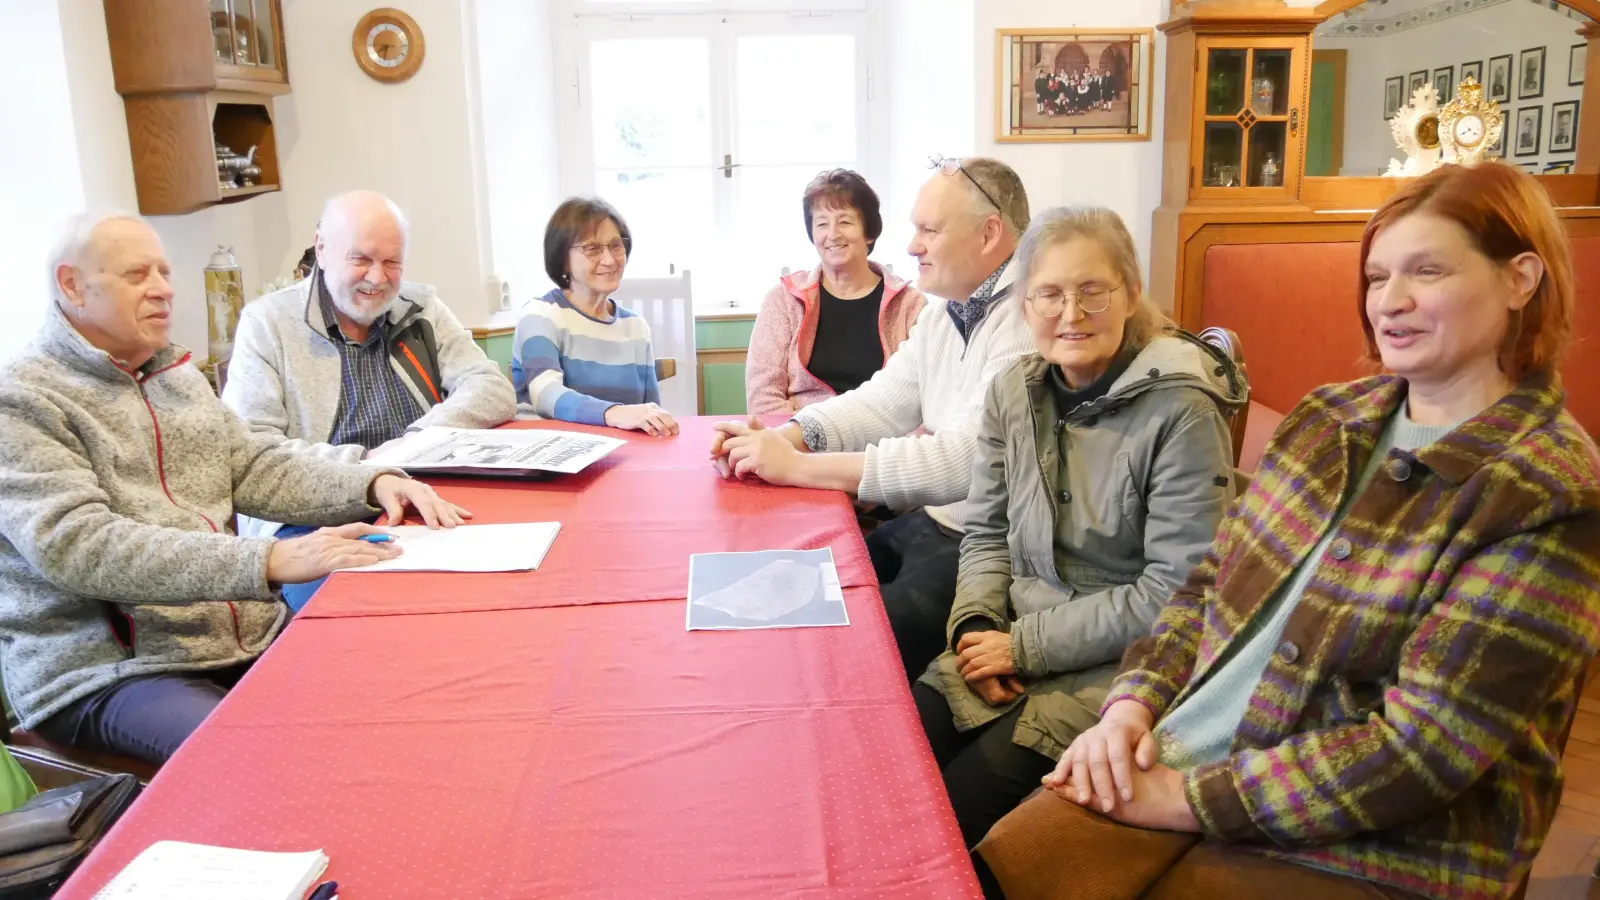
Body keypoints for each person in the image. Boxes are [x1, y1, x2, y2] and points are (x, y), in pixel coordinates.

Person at [978, 162, 1600, 900]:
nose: (1391, 303)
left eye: (1426, 271)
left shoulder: (1546, 486)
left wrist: (1185, 799)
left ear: (1520, 279)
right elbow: (1207, 584)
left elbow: (1421, 751)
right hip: (1183, 751)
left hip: (1379, 846)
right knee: (995, 868)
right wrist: (1131, 705)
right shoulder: (1330, 420)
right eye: (1376, 277)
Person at [0, 212, 469, 765]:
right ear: (71, 284)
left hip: (234, 640)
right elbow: (79, 544)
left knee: (402, 689)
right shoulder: (25, 401)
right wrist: (269, 559)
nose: (163, 290)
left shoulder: (175, 379)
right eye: (136, 275)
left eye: (164, 272)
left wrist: (374, 482)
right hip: (106, 673)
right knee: (265, 758)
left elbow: (253, 467)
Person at [915, 206, 1243, 849]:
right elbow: (984, 532)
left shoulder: (1180, 410)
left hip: (1120, 668)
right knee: (893, 757)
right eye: (1050, 293)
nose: (1071, 314)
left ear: (1131, 294)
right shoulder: (1013, 389)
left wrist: (1026, 646)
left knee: (948, 819)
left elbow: (1176, 595)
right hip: (1012, 635)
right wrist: (979, 627)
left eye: (1093, 291)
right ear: (1023, 301)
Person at [711, 157, 1035, 679]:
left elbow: (964, 462)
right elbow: (883, 399)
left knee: (847, 650)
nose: (911, 245)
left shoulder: (1026, 316)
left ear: (989, 233)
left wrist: (795, 468)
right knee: (792, 599)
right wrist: (787, 438)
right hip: (931, 523)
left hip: (985, 546)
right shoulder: (949, 310)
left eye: (929, 229)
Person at [224, 190, 514, 609]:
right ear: (321, 250)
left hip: (420, 500)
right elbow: (254, 451)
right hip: (311, 524)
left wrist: (416, 440)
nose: (378, 279)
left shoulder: (421, 307)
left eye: (392, 262)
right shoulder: (266, 323)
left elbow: (490, 386)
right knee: (359, 619)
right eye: (360, 259)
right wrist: (369, 470)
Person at [745, 169, 927, 415]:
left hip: (880, 444)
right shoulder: (783, 300)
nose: (832, 234)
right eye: (821, 223)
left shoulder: (910, 305)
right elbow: (763, 398)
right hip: (800, 443)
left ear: (869, 232)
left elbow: (925, 398)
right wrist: (800, 439)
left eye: (844, 221)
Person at [511, 197, 675, 436]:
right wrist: (615, 413)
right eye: (592, 249)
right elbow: (545, 395)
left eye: (616, 245)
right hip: (550, 455)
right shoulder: (540, 315)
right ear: (562, 258)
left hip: (621, 458)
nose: (609, 260)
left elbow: (650, 413)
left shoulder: (635, 327)